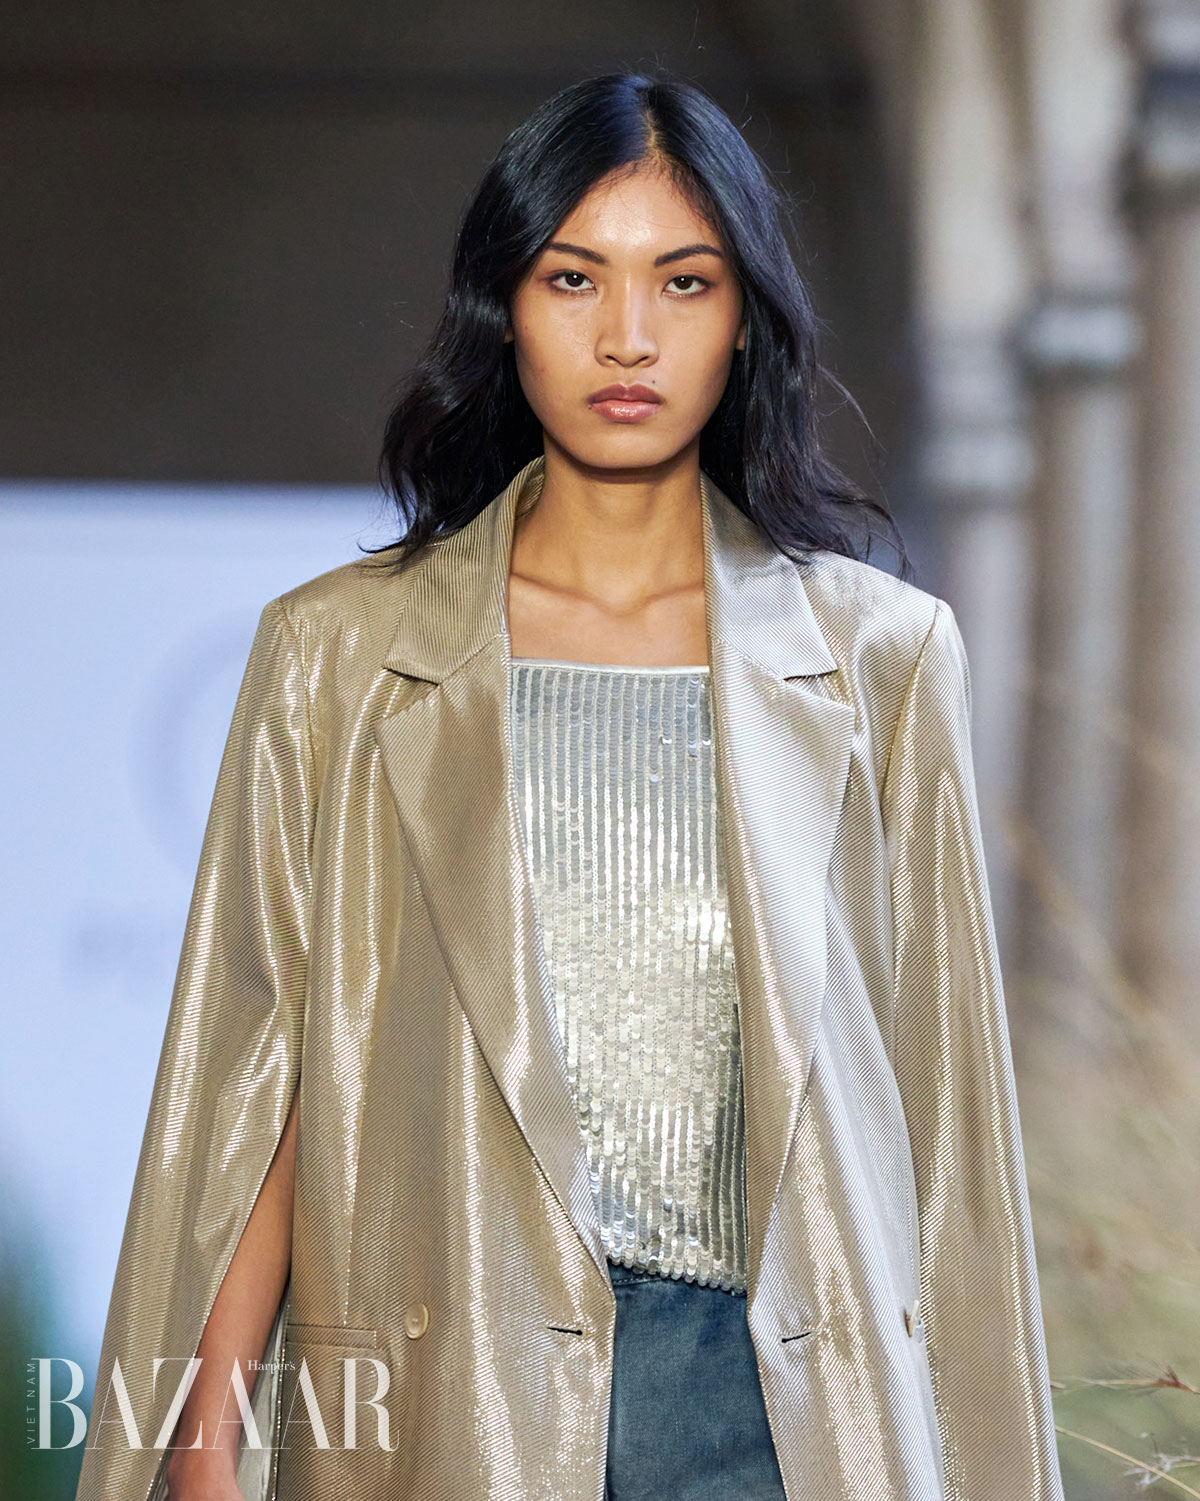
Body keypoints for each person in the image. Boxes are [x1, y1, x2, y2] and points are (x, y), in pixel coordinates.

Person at [76, 71, 1064, 1501]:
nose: (628, 336)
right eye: (574, 277)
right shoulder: (339, 655)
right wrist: (204, 1442)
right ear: (505, 307)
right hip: (446, 1396)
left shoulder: (881, 657)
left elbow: (948, 1116)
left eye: (684, 282)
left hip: (786, 1415)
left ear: (745, 317)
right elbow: (257, 1085)